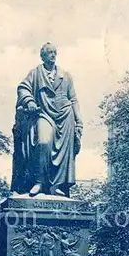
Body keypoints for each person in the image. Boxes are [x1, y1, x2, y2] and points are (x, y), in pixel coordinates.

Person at [11, 42, 83, 197]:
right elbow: (23, 88)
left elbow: (74, 99)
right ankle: (39, 182)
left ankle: (57, 186)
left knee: (64, 153)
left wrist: (79, 122)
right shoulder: (36, 73)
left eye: (55, 52)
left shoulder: (66, 75)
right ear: (42, 56)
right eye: (49, 52)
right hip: (44, 114)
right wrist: (30, 101)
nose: (53, 55)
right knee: (43, 142)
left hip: (65, 118)